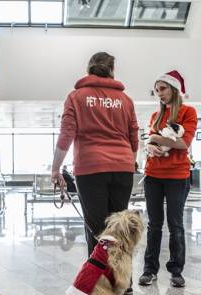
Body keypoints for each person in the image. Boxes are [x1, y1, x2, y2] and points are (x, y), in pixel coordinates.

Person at [50, 51, 139, 258]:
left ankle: (99, 281)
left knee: (97, 229)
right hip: (123, 168)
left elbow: (66, 135)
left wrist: (56, 169)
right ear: (112, 70)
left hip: (91, 168)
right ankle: (123, 282)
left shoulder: (76, 97)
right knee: (120, 228)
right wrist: (128, 163)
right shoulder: (125, 100)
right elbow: (134, 137)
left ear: (89, 69)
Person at [138, 70, 197, 288]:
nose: (159, 93)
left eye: (162, 88)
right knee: (154, 225)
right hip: (153, 175)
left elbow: (184, 144)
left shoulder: (188, 112)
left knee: (176, 224)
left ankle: (176, 271)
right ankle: (149, 270)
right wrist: (151, 146)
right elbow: (151, 143)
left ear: (174, 89)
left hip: (177, 176)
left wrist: (154, 137)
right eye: (156, 90)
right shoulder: (156, 116)